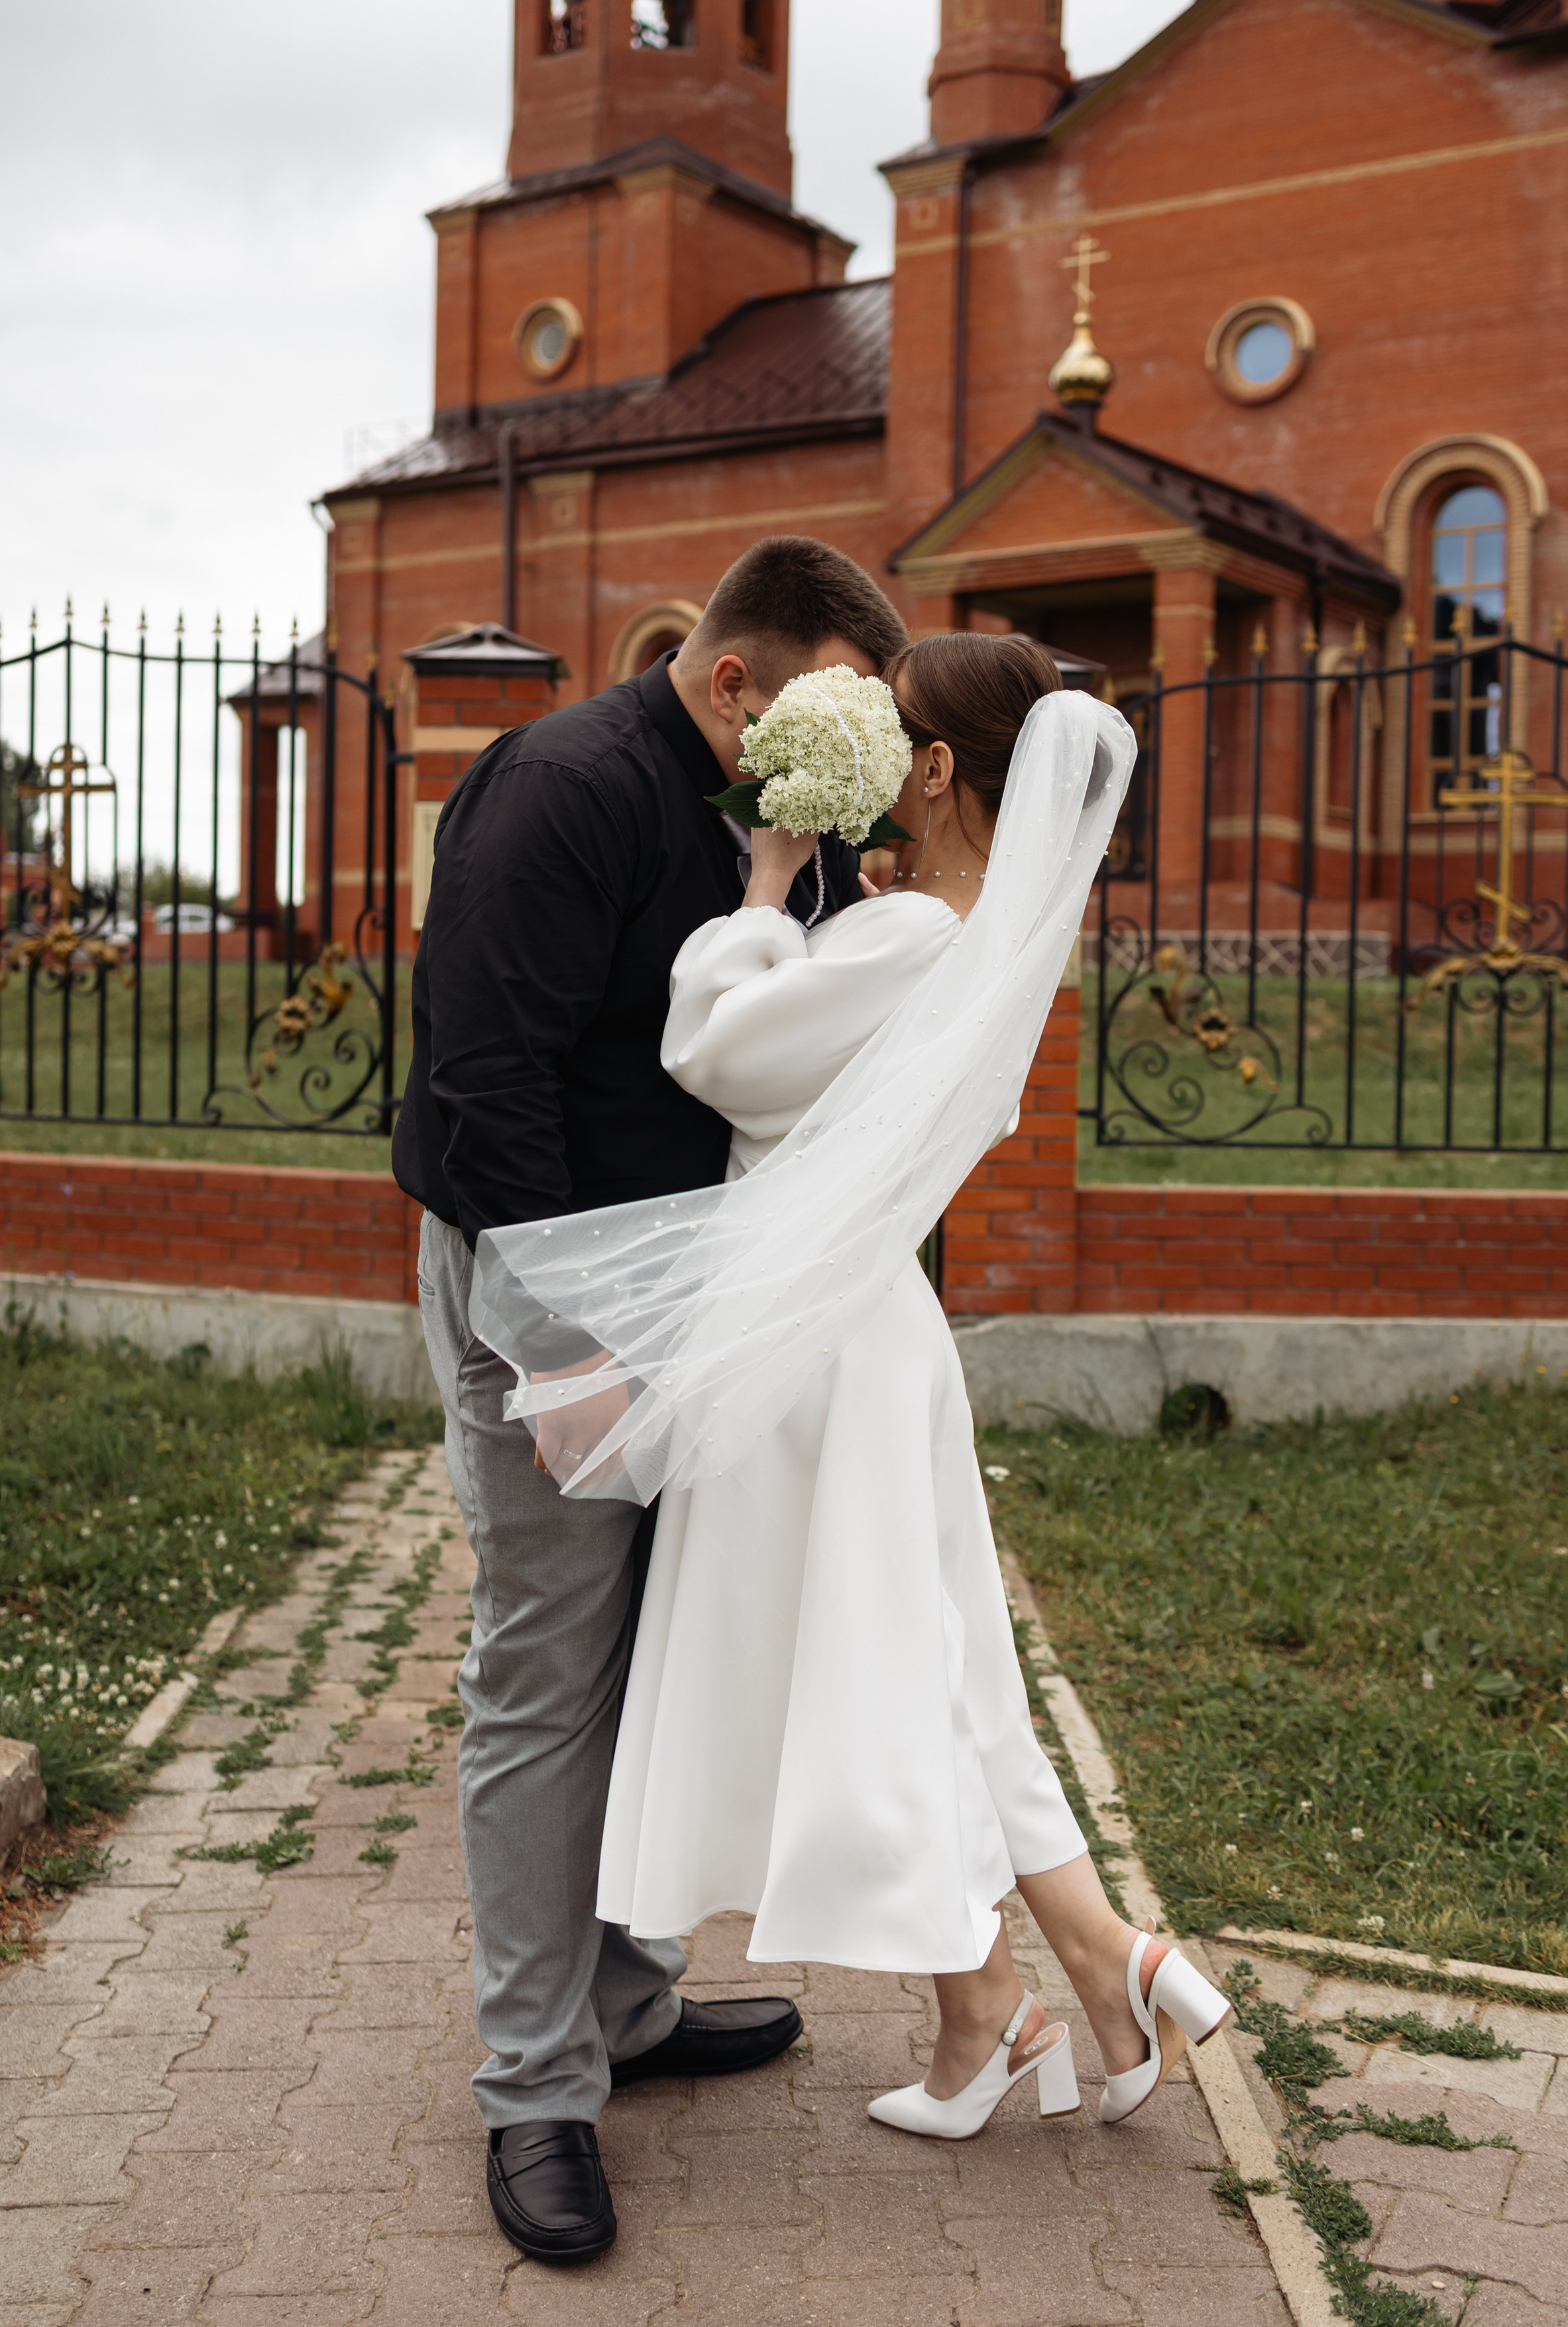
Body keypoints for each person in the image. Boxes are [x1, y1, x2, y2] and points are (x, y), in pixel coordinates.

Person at [471, 632, 1233, 2188]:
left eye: (899, 734)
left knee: (872, 1678)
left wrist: (758, 893)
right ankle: (1062, 1980)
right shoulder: (976, 939)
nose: (878, 752)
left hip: (810, 1347)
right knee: (938, 1660)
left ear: (942, 772)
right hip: (880, 1330)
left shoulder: (908, 944)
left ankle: (1036, 1987)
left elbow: (714, 1052)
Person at [392, 536, 912, 2263]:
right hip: (554, 1288)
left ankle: (627, 2001)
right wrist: (569, 1352)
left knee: (668, 1638)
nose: (857, 731)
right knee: (550, 1664)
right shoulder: (562, 787)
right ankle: (534, 2084)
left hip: (708, 1287)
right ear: (738, 677)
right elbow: (484, 1080)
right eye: (836, 692)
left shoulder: (772, 815)